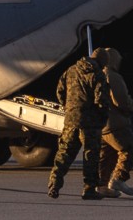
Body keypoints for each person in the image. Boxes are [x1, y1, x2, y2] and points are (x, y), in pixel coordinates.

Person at [47, 50, 111, 199]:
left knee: (64, 153)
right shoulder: (98, 75)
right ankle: (89, 189)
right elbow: (101, 100)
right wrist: (103, 117)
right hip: (90, 123)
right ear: (102, 62)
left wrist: (69, 108)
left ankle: (54, 185)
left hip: (71, 120)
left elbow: (60, 91)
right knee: (91, 156)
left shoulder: (71, 70)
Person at [95, 48, 133, 197]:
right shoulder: (112, 76)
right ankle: (118, 179)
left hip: (101, 124)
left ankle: (101, 186)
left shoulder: (96, 75)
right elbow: (121, 101)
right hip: (115, 124)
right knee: (128, 148)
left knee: (106, 157)